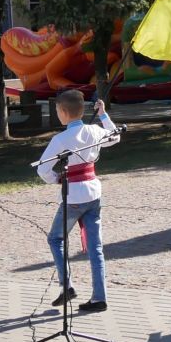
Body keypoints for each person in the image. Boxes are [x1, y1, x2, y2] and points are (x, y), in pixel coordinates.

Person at [37, 89, 120, 312]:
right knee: (96, 246)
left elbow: (43, 169)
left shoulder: (60, 139)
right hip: (93, 193)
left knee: (56, 239)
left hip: (73, 196)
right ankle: (99, 297)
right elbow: (115, 136)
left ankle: (67, 286)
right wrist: (103, 115)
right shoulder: (94, 130)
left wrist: (56, 179)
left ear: (63, 112)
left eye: (57, 109)